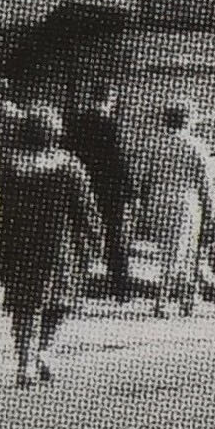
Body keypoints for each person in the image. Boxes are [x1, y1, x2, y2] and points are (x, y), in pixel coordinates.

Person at [0, 107, 103, 385]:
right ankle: (41, 350)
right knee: (60, 302)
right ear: (55, 134)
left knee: (24, 305)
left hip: (18, 241)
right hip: (58, 244)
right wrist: (95, 239)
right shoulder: (68, 165)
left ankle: (24, 362)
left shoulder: (8, 163)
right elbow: (85, 207)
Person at [137, 99, 215, 317]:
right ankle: (167, 300)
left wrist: (142, 205)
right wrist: (214, 214)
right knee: (184, 252)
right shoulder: (195, 146)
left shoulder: (153, 144)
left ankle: (185, 297)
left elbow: (142, 178)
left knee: (167, 251)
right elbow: (206, 183)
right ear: (188, 120)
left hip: (157, 200)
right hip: (185, 201)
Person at [65, 78, 136, 298]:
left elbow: (70, 152)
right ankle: (119, 286)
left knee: (80, 233)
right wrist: (131, 190)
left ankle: (76, 282)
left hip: (83, 185)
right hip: (110, 190)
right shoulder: (111, 125)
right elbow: (118, 160)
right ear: (110, 99)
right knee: (116, 237)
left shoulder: (76, 122)